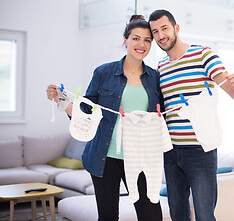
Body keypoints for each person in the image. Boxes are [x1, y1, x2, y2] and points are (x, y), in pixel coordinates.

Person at [46, 15, 163, 221]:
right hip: (104, 157)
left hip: (140, 157)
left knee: (151, 215)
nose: (141, 44)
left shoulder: (155, 78)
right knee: (108, 216)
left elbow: (162, 117)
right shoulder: (104, 72)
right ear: (125, 39)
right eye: (136, 38)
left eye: (147, 40)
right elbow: (85, 113)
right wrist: (61, 100)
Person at [148, 9, 234, 221]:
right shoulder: (161, 66)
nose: (161, 35)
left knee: (204, 215)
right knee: (178, 215)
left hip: (200, 151)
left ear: (176, 28)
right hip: (171, 152)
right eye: (155, 32)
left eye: (164, 28)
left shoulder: (203, 55)